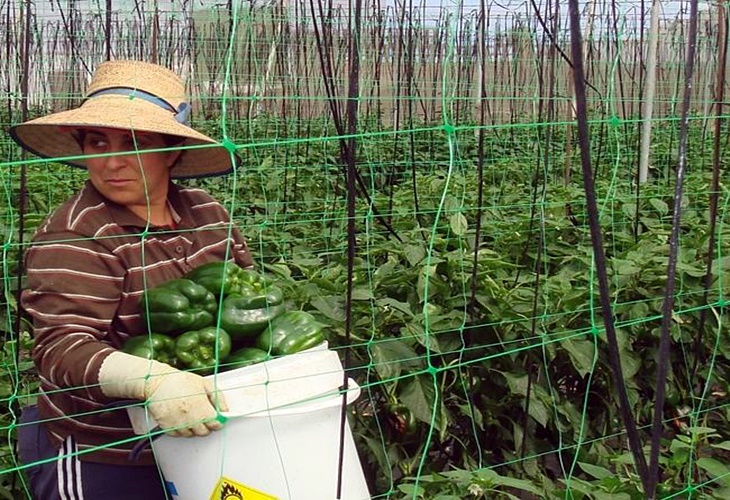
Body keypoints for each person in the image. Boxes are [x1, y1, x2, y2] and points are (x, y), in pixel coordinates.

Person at [10, 60, 253, 499]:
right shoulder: (77, 234)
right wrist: (153, 381)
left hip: (204, 433)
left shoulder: (206, 212)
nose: (113, 162)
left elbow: (248, 301)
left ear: (171, 149)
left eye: (135, 143)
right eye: (98, 142)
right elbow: (60, 348)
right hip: (105, 448)